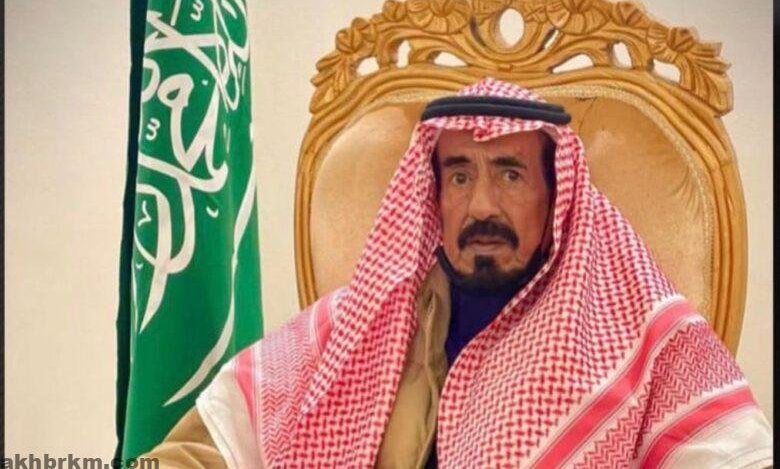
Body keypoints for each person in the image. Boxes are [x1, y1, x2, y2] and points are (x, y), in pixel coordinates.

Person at [142, 78, 773, 468]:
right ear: (433, 196)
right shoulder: (361, 319)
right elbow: (212, 441)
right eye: (461, 176)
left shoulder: (646, 337)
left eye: (510, 173)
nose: (481, 207)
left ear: (556, 192)